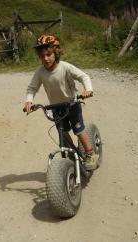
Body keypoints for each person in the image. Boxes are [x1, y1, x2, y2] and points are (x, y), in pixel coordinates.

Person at [23, 35, 97, 170]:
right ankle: (70, 156)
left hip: (72, 104)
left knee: (79, 130)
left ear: (56, 52)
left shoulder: (65, 67)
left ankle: (90, 154)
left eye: (49, 54)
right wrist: (29, 101)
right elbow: (32, 88)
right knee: (62, 133)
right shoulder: (40, 72)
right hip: (57, 108)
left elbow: (83, 76)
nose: (45, 58)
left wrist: (88, 90)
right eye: (42, 56)